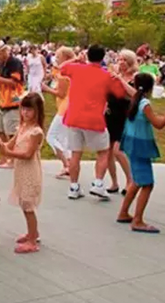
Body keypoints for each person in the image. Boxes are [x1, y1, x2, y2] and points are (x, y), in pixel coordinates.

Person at [60, 45, 126, 200]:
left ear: (87, 55)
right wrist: (116, 76)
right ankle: (98, 183)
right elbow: (120, 93)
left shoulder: (76, 69)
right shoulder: (106, 75)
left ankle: (74, 187)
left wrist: (76, 59)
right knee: (103, 151)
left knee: (76, 153)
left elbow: (62, 68)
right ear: (103, 58)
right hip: (94, 119)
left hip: (73, 117)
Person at [116, 73, 165, 233]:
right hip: (140, 146)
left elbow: (154, 119)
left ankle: (124, 212)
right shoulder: (144, 103)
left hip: (131, 143)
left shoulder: (135, 100)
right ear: (151, 87)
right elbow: (158, 124)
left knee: (137, 181)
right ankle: (137, 220)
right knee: (147, 184)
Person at [0, 93, 45, 254]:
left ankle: (32, 240)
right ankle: (32, 233)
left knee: (28, 206)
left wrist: (8, 154)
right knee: (24, 204)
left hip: (30, 172)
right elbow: (8, 145)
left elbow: (28, 154)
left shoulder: (36, 132)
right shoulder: (22, 128)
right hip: (21, 172)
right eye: (23, 109)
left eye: (29, 110)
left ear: (37, 111)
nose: (25, 113)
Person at [0, 40, 24, 169]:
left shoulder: (14, 63)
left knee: (11, 133)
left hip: (13, 101)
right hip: (3, 101)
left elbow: (14, 83)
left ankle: (13, 159)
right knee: (0, 132)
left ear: (3, 52)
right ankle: (3, 157)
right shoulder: (2, 64)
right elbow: (1, 82)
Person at [105, 49, 137, 193]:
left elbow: (135, 94)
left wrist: (121, 80)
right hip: (110, 114)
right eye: (120, 59)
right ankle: (114, 182)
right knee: (108, 150)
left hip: (124, 115)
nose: (121, 62)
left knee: (118, 151)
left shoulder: (134, 77)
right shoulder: (114, 75)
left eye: (124, 60)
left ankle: (130, 180)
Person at [42, 47, 75, 179]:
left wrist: (46, 89)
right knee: (64, 138)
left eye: (58, 56)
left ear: (65, 58)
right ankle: (69, 165)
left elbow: (61, 93)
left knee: (51, 136)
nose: (56, 59)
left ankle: (67, 163)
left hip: (65, 108)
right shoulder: (72, 71)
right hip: (69, 106)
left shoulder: (64, 74)